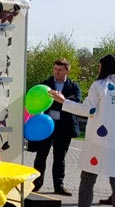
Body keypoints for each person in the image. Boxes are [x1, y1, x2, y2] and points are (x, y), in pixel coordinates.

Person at [54, 55, 115, 207]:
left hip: (98, 141)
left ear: (105, 67)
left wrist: (63, 102)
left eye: (99, 66)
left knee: (87, 180)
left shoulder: (99, 86)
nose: (98, 70)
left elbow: (88, 110)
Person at [29, 59, 83, 196]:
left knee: (60, 157)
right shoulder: (45, 84)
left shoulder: (74, 86)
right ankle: (36, 184)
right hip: (45, 125)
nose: (57, 72)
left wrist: (60, 99)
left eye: (60, 70)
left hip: (63, 126)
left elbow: (76, 101)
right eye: (55, 69)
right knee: (41, 156)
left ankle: (58, 185)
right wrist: (60, 101)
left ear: (67, 71)